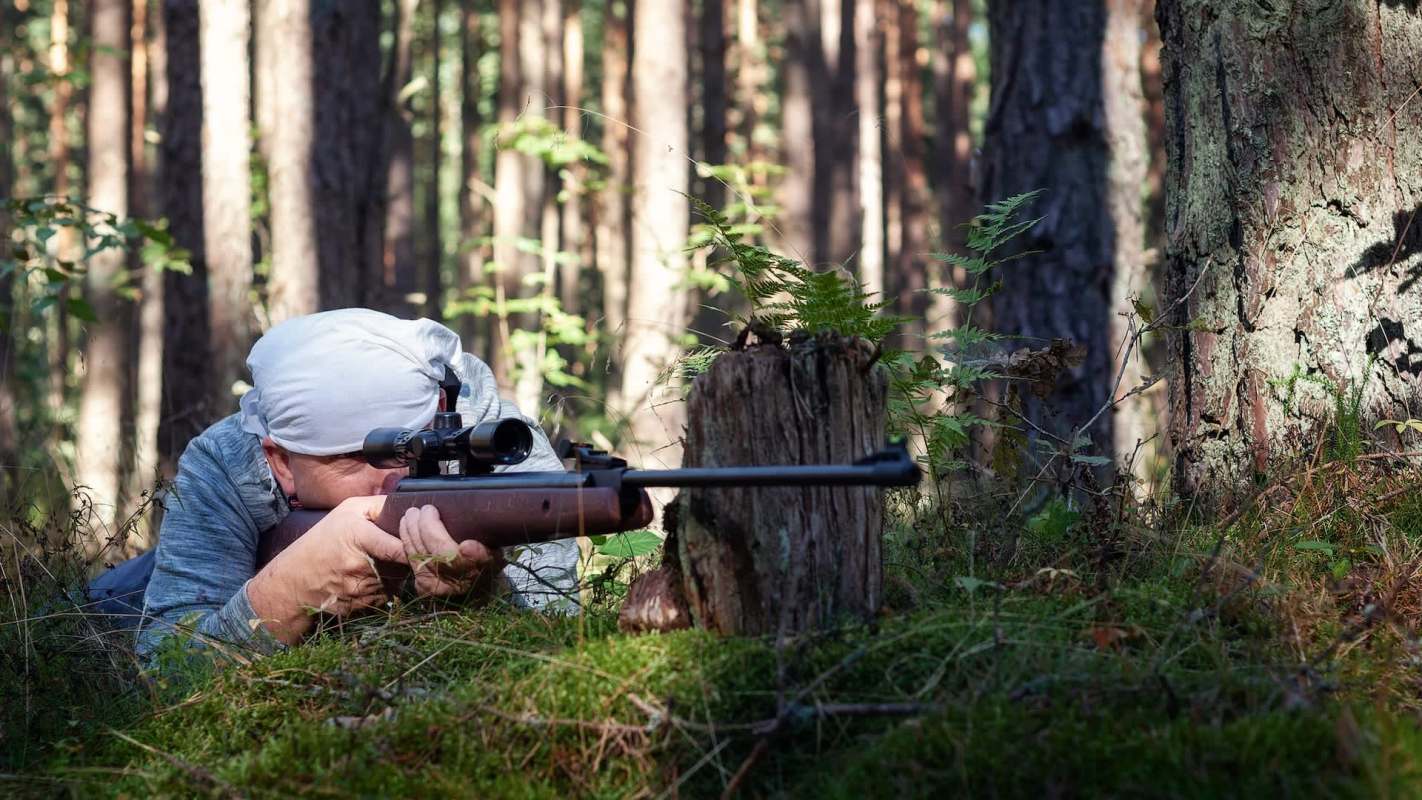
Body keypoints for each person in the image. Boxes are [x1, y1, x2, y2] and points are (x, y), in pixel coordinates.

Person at [90, 309, 579, 663]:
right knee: (84, 619)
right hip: (128, 600)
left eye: (414, 448)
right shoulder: (226, 465)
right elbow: (168, 670)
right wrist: (287, 593)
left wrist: (479, 595)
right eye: (355, 459)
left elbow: (552, 636)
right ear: (281, 462)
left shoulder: (504, 448)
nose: (394, 479)